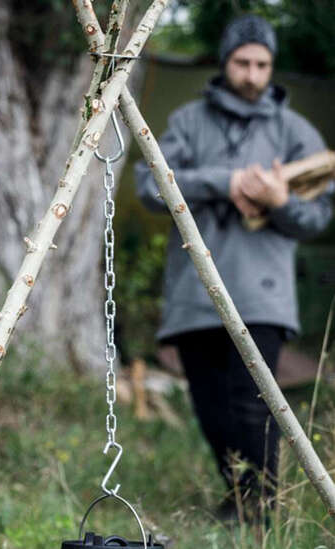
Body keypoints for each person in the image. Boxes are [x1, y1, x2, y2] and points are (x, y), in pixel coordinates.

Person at [134, 14, 333, 522]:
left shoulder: (295, 131)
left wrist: (278, 199)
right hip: (194, 290)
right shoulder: (188, 122)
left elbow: (317, 217)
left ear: (272, 67)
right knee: (209, 403)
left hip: (263, 295)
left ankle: (263, 507)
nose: (251, 73)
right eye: (242, 61)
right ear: (225, 62)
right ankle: (241, 496)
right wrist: (227, 182)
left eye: (261, 64)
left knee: (251, 401)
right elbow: (149, 186)